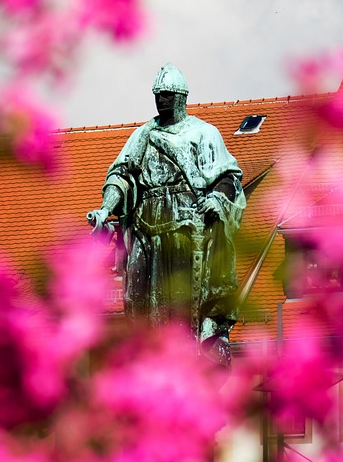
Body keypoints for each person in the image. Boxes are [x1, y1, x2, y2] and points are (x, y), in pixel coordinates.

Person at [88, 63, 245, 365]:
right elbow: (121, 176)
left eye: (167, 95)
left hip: (187, 231)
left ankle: (198, 349)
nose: (161, 100)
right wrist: (105, 209)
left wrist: (217, 200)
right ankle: (152, 359)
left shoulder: (204, 134)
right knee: (141, 301)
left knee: (183, 304)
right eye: (158, 94)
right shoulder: (143, 136)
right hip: (148, 233)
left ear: (181, 97)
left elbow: (228, 178)